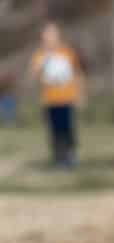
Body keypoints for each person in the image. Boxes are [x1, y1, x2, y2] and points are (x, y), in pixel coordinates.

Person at [30, 22, 84, 168]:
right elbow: (35, 75)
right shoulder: (40, 55)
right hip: (49, 100)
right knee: (54, 131)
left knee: (67, 129)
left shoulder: (67, 53)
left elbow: (76, 74)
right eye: (47, 35)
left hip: (66, 98)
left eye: (52, 34)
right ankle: (58, 159)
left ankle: (70, 156)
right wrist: (45, 61)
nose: (50, 38)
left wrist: (79, 94)